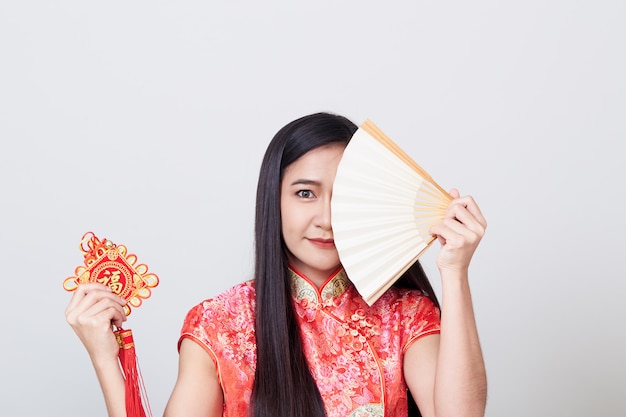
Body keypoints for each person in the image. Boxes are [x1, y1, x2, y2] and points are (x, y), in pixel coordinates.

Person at [65, 112, 488, 417]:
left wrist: (454, 272)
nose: (326, 218)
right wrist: (106, 358)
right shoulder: (220, 325)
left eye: (343, 197)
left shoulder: (405, 316)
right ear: (273, 198)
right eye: (306, 193)